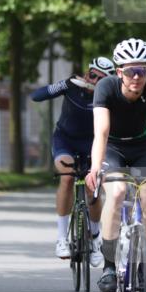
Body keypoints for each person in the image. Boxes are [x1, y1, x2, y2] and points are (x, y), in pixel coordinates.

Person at [85, 38, 146, 292]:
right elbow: (101, 132)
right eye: (131, 71)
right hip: (113, 148)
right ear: (119, 72)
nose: (137, 77)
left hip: (142, 149)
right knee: (117, 192)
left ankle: (145, 267)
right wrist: (95, 168)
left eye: (143, 70)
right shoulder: (106, 87)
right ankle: (109, 266)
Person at [31, 57, 116, 264]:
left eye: (100, 79)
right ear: (87, 73)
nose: (93, 80)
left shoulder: (109, 96)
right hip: (65, 141)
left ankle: (95, 237)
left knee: (92, 187)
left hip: (93, 145)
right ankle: (62, 238)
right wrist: (64, 84)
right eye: (92, 75)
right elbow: (36, 96)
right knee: (67, 177)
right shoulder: (71, 86)